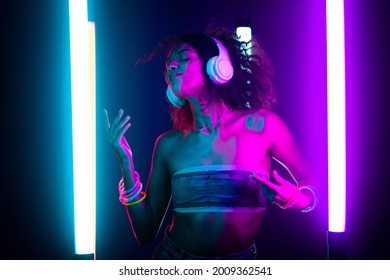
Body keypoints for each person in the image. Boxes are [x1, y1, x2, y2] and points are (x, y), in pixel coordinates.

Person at [103, 27, 319, 260]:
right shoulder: (168, 145)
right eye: (168, 65)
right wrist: (126, 163)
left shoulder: (264, 126)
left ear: (216, 67)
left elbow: (314, 183)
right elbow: (145, 232)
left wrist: (295, 199)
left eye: (184, 58)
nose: (171, 67)